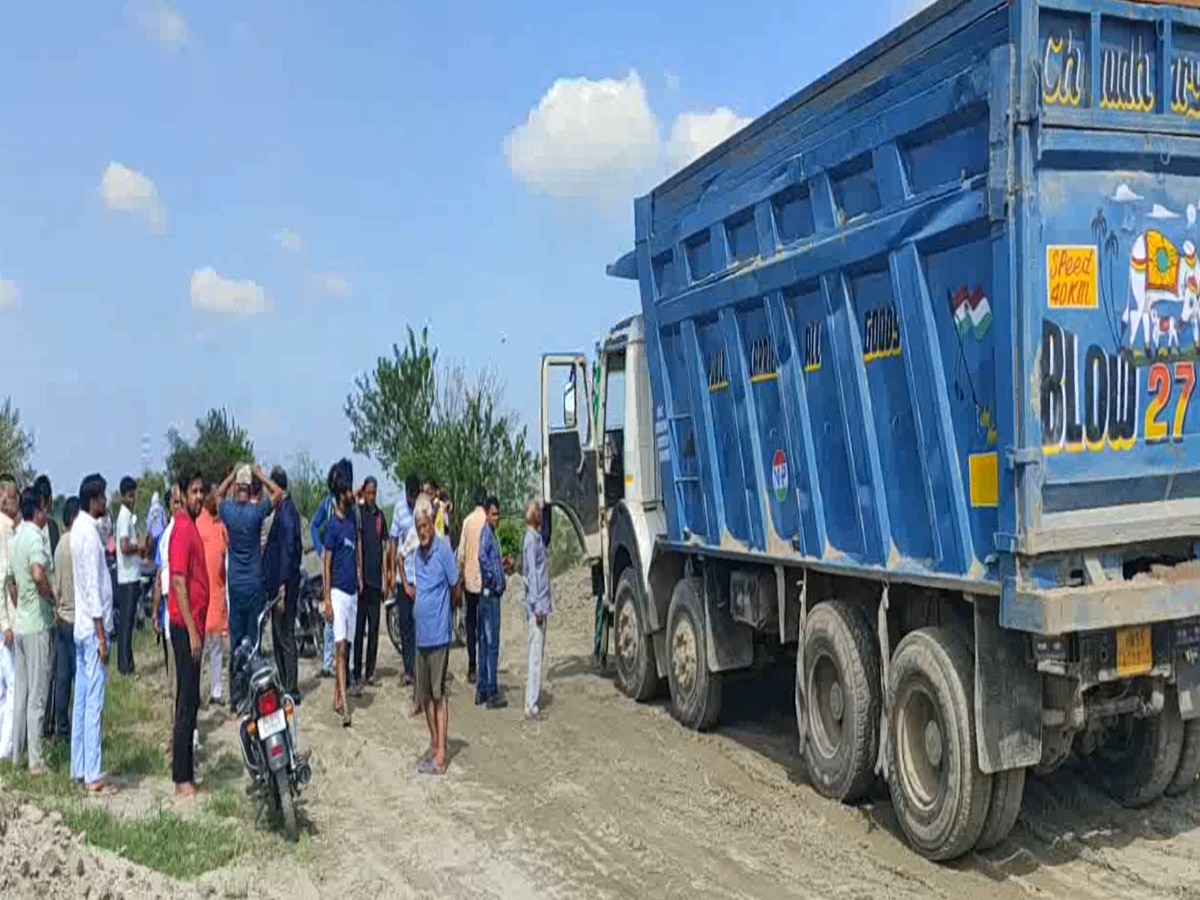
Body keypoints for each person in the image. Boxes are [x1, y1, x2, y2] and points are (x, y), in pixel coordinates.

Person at [217, 463, 283, 711]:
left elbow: (217, 496)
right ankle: (252, 698)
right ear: (250, 488)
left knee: (236, 645)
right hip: (254, 585)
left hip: (235, 586)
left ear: (236, 488)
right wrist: (260, 474)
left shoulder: (229, 512)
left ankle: (235, 700)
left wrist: (231, 474)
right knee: (253, 643)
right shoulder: (255, 513)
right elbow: (278, 494)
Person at [72, 474, 116, 794]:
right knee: (94, 703)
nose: (105, 502)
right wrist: (102, 635)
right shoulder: (87, 535)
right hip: (92, 629)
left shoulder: (80, 528)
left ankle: (79, 766)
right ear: (93, 500)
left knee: (82, 701)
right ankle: (93, 774)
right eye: (102, 498)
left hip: (82, 628)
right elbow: (91, 588)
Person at [168, 471, 210, 800]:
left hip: (192, 624)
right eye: (194, 491)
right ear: (182, 493)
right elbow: (179, 582)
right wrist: (194, 632)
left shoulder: (191, 526)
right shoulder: (182, 528)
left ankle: (188, 772)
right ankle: (182, 776)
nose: (199, 496)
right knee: (186, 701)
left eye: (201, 491)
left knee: (193, 698)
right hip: (184, 627)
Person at [10, 487, 55, 773]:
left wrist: (20, 606)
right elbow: (38, 573)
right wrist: (50, 596)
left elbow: (12, 582)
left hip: (21, 624)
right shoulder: (35, 537)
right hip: (38, 624)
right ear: (38, 507)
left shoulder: (15, 538)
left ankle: (17, 756)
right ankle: (36, 761)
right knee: (37, 696)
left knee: (21, 695)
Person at [413, 494, 459, 775]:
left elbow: (455, 587)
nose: (422, 531)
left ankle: (441, 755)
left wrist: (446, 615)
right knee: (425, 696)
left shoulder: (443, 550)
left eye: (426, 525)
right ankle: (434, 745)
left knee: (439, 696)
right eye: (419, 527)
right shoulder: (418, 554)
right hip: (421, 635)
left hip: (439, 636)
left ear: (433, 522)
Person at [322, 462, 360, 726]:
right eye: (348, 491)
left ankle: (337, 696)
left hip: (352, 594)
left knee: (346, 646)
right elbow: (326, 563)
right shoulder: (333, 526)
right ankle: (345, 707)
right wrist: (326, 599)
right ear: (340, 495)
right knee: (340, 650)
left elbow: (356, 551)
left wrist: (358, 573)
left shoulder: (351, 521)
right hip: (337, 594)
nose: (352, 495)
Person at [264, 465, 302, 703]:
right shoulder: (282, 511)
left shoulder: (287, 513)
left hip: (284, 586)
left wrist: (281, 587)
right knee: (278, 635)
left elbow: (288, 552)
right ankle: (285, 681)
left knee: (285, 635)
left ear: (278, 487)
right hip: (279, 584)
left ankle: (291, 687)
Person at [352, 477, 387, 695]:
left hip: (376, 582)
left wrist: (385, 578)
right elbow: (357, 546)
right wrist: (359, 577)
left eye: (374, 492)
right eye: (368, 492)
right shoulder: (359, 513)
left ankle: (370, 671)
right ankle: (356, 673)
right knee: (359, 630)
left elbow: (384, 548)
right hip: (361, 583)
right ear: (364, 493)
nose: (372, 496)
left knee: (374, 628)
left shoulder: (379, 516)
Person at [50, 497, 80, 739]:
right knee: (79, 679)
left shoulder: (59, 545)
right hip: (76, 619)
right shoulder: (78, 545)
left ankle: (62, 728)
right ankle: (78, 727)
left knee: (62, 678)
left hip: (61, 618)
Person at [388, 474, 421, 692]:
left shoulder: (423, 509)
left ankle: (421, 669)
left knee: (421, 625)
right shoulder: (399, 509)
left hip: (422, 578)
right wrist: (391, 572)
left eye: (414, 496)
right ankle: (409, 670)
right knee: (406, 625)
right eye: (409, 496)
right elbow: (393, 542)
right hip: (403, 578)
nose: (411, 501)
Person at [197, 487, 229, 707]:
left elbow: (226, 554)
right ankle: (197, 692)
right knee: (199, 649)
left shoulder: (221, 526)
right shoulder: (198, 524)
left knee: (217, 647)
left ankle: (216, 691)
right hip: (201, 595)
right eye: (215, 497)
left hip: (217, 595)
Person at [32, 476, 58, 740]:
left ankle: (49, 723)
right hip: (37, 610)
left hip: (52, 611)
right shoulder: (27, 532)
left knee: (51, 671)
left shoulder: (52, 528)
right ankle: (38, 728)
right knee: (39, 673)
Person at [476, 496, 507, 709]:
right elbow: (481, 557)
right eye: (493, 513)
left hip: (488, 595)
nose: (496, 518)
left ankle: (483, 687)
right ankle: (491, 689)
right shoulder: (487, 534)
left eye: (498, 514)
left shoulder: (491, 534)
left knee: (485, 644)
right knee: (491, 643)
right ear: (486, 514)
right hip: (490, 595)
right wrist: (494, 579)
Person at [522, 503, 552, 719]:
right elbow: (532, 575)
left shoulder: (536, 538)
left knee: (537, 654)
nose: (541, 516)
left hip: (540, 605)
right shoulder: (531, 541)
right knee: (534, 656)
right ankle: (531, 705)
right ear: (533, 517)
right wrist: (538, 605)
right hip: (536, 608)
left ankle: (532, 702)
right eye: (539, 513)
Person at [113, 475, 145, 675]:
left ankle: (127, 661)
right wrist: (138, 547)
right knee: (126, 623)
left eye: (134, 496)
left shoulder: (125, 516)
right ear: (124, 496)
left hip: (129, 575)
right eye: (130, 496)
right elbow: (124, 547)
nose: (133, 500)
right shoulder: (124, 517)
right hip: (128, 577)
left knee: (128, 621)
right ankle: (124, 664)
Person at [150, 486, 182, 678]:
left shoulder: (188, 531)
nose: (179, 507)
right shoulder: (165, 537)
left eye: (181, 502)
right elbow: (160, 576)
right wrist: (154, 613)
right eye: (175, 502)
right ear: (169, 505)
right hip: (171, 608)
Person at [456, 490, 487, 684]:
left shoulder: (467, 522)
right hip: (484, 582)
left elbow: (460, 553)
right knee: (484, 625)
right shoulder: (488, 521)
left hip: (469, 582)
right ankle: (484, 665)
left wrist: (459, 574)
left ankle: (472, 666)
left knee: (471, 624)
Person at [309, 488, 336, 678]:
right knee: (330, 612)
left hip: (343, 563)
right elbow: (313, 527)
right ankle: (327, 661)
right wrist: (320, 550)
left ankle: (343, 661)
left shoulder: (348, 504)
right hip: (330, 562)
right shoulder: (327, 504)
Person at [0, 478, 16, 760]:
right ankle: (7, 748)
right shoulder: (6, 529)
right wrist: (6, 623)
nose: (17, 503)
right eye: (13, 498)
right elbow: (3, 579)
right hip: (6, 622)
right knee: (13, 685)